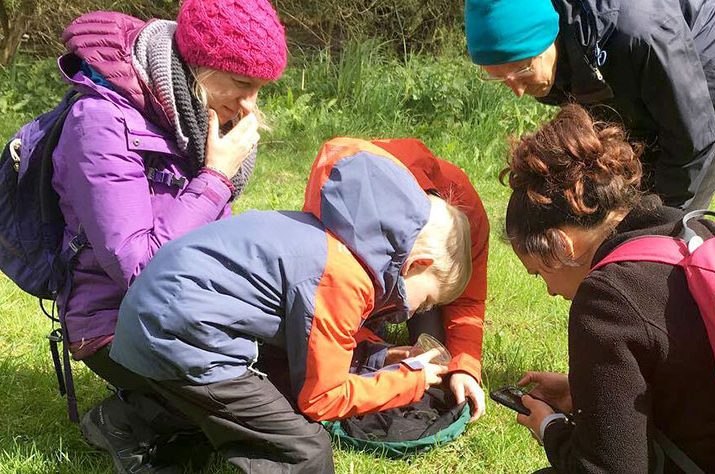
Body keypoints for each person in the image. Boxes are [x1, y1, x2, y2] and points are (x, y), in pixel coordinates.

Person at [104, 138, 473, 472]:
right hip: (181, 336)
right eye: (424, 301)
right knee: (305, 449)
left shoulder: (338, 242)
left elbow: (314, 341)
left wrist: (382, 358)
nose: (410, 313)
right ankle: (129, 422)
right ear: (417, 265)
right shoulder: (346, 277)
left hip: (158, 317)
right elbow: (323, 399)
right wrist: (411, 380)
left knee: (270, 398)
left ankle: (125, 418)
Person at [51, 0, 286, 471]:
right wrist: (216, 176)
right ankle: (126, 418)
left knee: (291, 374)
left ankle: (170, 408)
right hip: (115, 321)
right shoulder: (99, 123)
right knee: (244, 404)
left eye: (260, 90)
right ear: (195, 68)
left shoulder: (184, 112)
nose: (250, 106)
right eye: (242, 85)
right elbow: (139, 267)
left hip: (183, 307)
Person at [501, 105, 715, 473]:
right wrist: (585, 394)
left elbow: (608, 469)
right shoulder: (699, 231)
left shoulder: (607, 300)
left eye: (538, 273)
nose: (548, 291)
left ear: (562, 246)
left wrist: (550, 428)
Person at [465, 0, 715, 210]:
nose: (517, 90)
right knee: (616, 209)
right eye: (500, 79)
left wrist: (659, 220)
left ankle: (712, 276)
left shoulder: (638, 31)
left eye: (522, 71)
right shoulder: (559, 44)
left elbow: (691, 137)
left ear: (548, 36)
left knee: (664, 228)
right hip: (643, 88)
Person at [316, 138, 490, 422]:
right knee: (351, 358)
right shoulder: (346, 205)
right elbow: (326, 303)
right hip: (355, 269)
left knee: (437, 360)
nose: (411, 312)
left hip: (413, 272)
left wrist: (464, 366)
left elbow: (467, 298)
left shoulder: (465, 212)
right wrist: (374, 351)